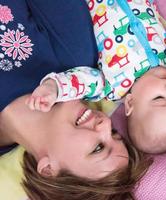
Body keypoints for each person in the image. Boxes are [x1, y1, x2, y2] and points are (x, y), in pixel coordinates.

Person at [27, 0, 166, 154]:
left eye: (160, 99)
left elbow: (80, 82)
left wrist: (53, 89)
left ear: (131, 104)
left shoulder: (112, 86)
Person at [0, 1, 150, 199]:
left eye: (98, 148)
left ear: (48, 171)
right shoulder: (73, 55)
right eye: (113, 133)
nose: (105, 123)